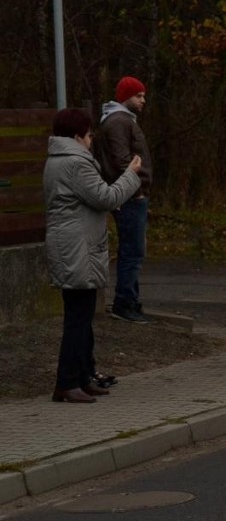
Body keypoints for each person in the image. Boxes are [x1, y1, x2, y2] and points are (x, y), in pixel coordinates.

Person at [44, 108, 142, 403]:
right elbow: (106, 197)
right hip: (78, 247)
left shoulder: (59, 160)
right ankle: (68, 381)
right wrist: (130, 175)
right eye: (88, 135)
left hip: (72, 245)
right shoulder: (76, 163)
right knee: (78, 317)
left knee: (83, 315)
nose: (90, 140)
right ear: (76, 137)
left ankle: (83, 375)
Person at [96, 75, 152, 324]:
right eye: (138, 96)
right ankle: (125, 302)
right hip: (129, 196)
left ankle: (130, 300)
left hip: (130, 193)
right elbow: (122, 161)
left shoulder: (120, 120)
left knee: (133, 250)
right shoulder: (119, 122)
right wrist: (136, 189)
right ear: (126, 97)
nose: (143, 100)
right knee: (133, 251)